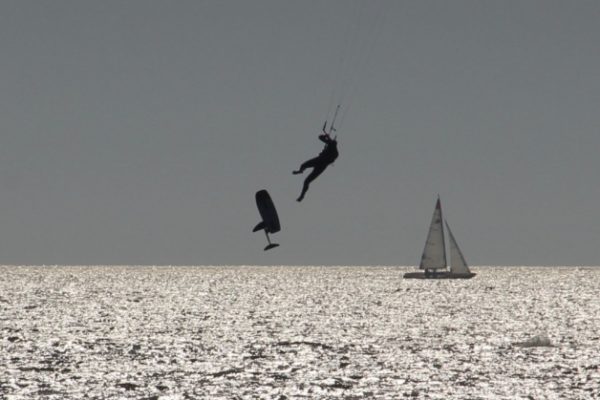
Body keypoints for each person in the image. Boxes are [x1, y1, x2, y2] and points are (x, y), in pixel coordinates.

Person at [293, 130, 339, 202]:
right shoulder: (330, 144)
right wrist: (326, 137)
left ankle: (302, 196)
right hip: (318, 161)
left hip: (321, 166)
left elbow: (331, 159)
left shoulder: (335, 152)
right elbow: (320, 137)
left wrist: (327, 139)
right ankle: (300, 171)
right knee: (303, 165)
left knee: (307, 181)